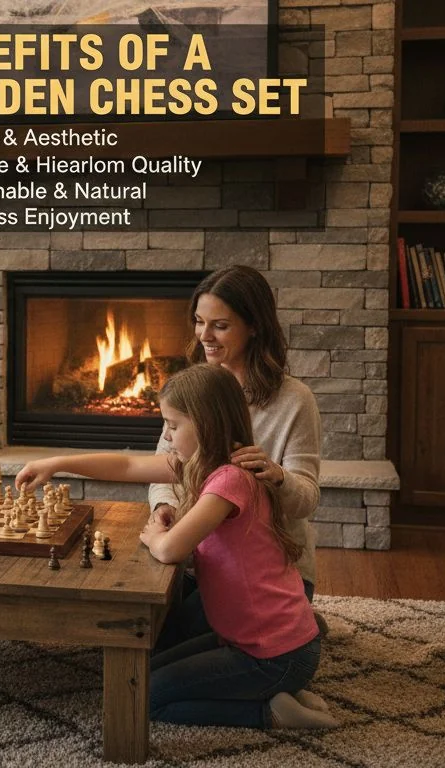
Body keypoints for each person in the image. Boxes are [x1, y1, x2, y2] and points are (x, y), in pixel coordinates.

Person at [16, 364, 336, 729]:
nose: (166, 436)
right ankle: (279, 688)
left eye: (172, 424)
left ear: (205, 424)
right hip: (251, 643)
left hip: (275, 655)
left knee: (142, 697)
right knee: (137, 673)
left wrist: (155, 536)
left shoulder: (230, 480)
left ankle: (270, 712)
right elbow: (127, 465)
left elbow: (170, 550)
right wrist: (57, 463)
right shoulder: (206, 465)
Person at [150, 264, 324, 645]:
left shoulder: (295, 400)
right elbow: (164, 467)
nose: (204, 336)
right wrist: (164, 506)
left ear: (254, 326)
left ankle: (296, 623)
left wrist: (278, 476)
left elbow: (307, 500)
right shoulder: (196, 387)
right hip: (201, 560)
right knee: (150, 632)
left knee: (171, 646)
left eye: (220, 326)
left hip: (269, 574)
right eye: (199, 322)